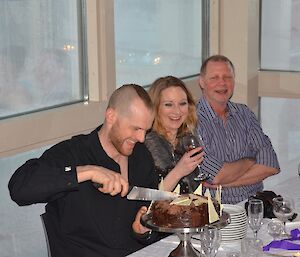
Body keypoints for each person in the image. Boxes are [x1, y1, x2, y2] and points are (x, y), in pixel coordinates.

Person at [8, 84, 159, 257]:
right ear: (111, 116)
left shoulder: (141, 157)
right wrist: (88, 172)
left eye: (146, 130)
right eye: (136, 128)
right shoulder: (73, 153)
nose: (141, 138)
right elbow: (19, 188)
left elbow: (150, 218)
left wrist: (142, 231)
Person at [196, 55, 280, 204]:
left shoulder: (244, 113)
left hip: (254, 205)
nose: (222, 83)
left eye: (227, 77)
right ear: (202, 82)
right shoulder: (193, 121)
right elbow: (216, 175)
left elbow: (271, 165)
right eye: (214, 78)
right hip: (214, 210)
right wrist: (250, 160)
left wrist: (224, 184)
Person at [145, 76, 204, 194]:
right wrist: (179, 171)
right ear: (155, 108)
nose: (177, 111)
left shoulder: (187, 138)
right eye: (168, 104)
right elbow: (149, 199)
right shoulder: (146, 144)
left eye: (182, 103)